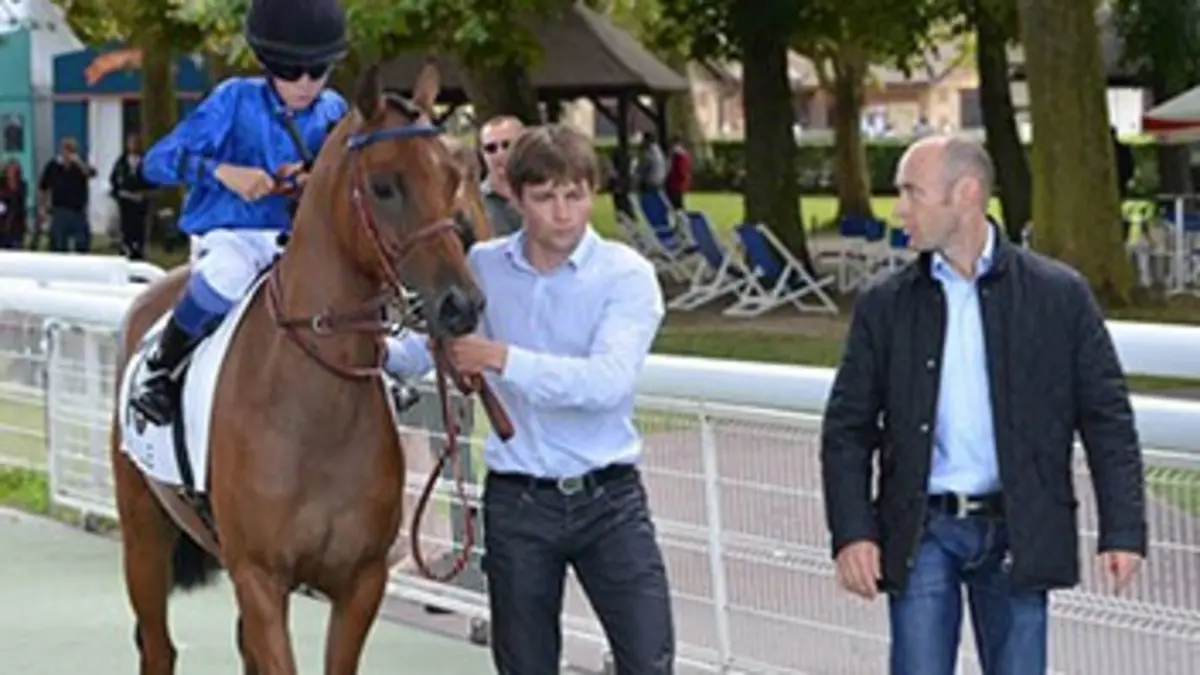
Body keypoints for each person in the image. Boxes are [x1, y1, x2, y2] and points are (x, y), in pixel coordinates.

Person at [820, 134, 1147, 675]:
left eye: (912, 192)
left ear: (966, 194)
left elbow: (1107, 417)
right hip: (922, 532)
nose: (899, 209)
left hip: (1020, 532)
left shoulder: (1059, 296)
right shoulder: (885, 304)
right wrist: (852, 532)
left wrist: (1124, 530)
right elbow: (847, 429)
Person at [384, 123, 676, 674]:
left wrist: (499, 358)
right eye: (544, 198)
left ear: (592, 193)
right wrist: (366, 348)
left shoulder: (627, 276)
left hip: (610, 502)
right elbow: (426, 350)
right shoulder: (485, 268)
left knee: (649, 661)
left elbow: (606, 383)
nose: (563, 213)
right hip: (518, 505)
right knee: (524, 666)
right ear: (515, 197)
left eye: (575, 195)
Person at [129, 0, 349, 426]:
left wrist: (309, 176)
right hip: (233, 236)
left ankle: (382, 372)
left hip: (304, 239)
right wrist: (220, 172)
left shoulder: (334, 110)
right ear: (267, 64)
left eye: (318, 71)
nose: (306, 83)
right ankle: (160, 370)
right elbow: (156, 162)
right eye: (291, 71)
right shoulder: (233, 99)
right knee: (228, 272)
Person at [38, 137, 96, 253]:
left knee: (82, 242)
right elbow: (43, 187)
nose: (69, 153)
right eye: (67, 149)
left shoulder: (80, 166)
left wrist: (78, 162)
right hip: (60, 210)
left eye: (73, 150)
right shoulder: (53, 165)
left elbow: (91, 174)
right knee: (58, 244)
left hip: (78, 210)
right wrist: (42, 207)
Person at [477, 115, 525, 236]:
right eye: (491, 148)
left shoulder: (547, 194)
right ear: (482, 154)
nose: (500, 153)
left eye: (507, 145)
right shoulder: (475, 203)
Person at [109, 133, 153, 260]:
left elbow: (152, 182)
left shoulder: (145, 161)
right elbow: (114, 181)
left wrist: (145, 194)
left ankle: (139, 251)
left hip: (141, 202)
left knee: (140, 228)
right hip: (125, 203)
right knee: (126, 228)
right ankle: (126, 249)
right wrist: (120, 192)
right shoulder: (121, 162)